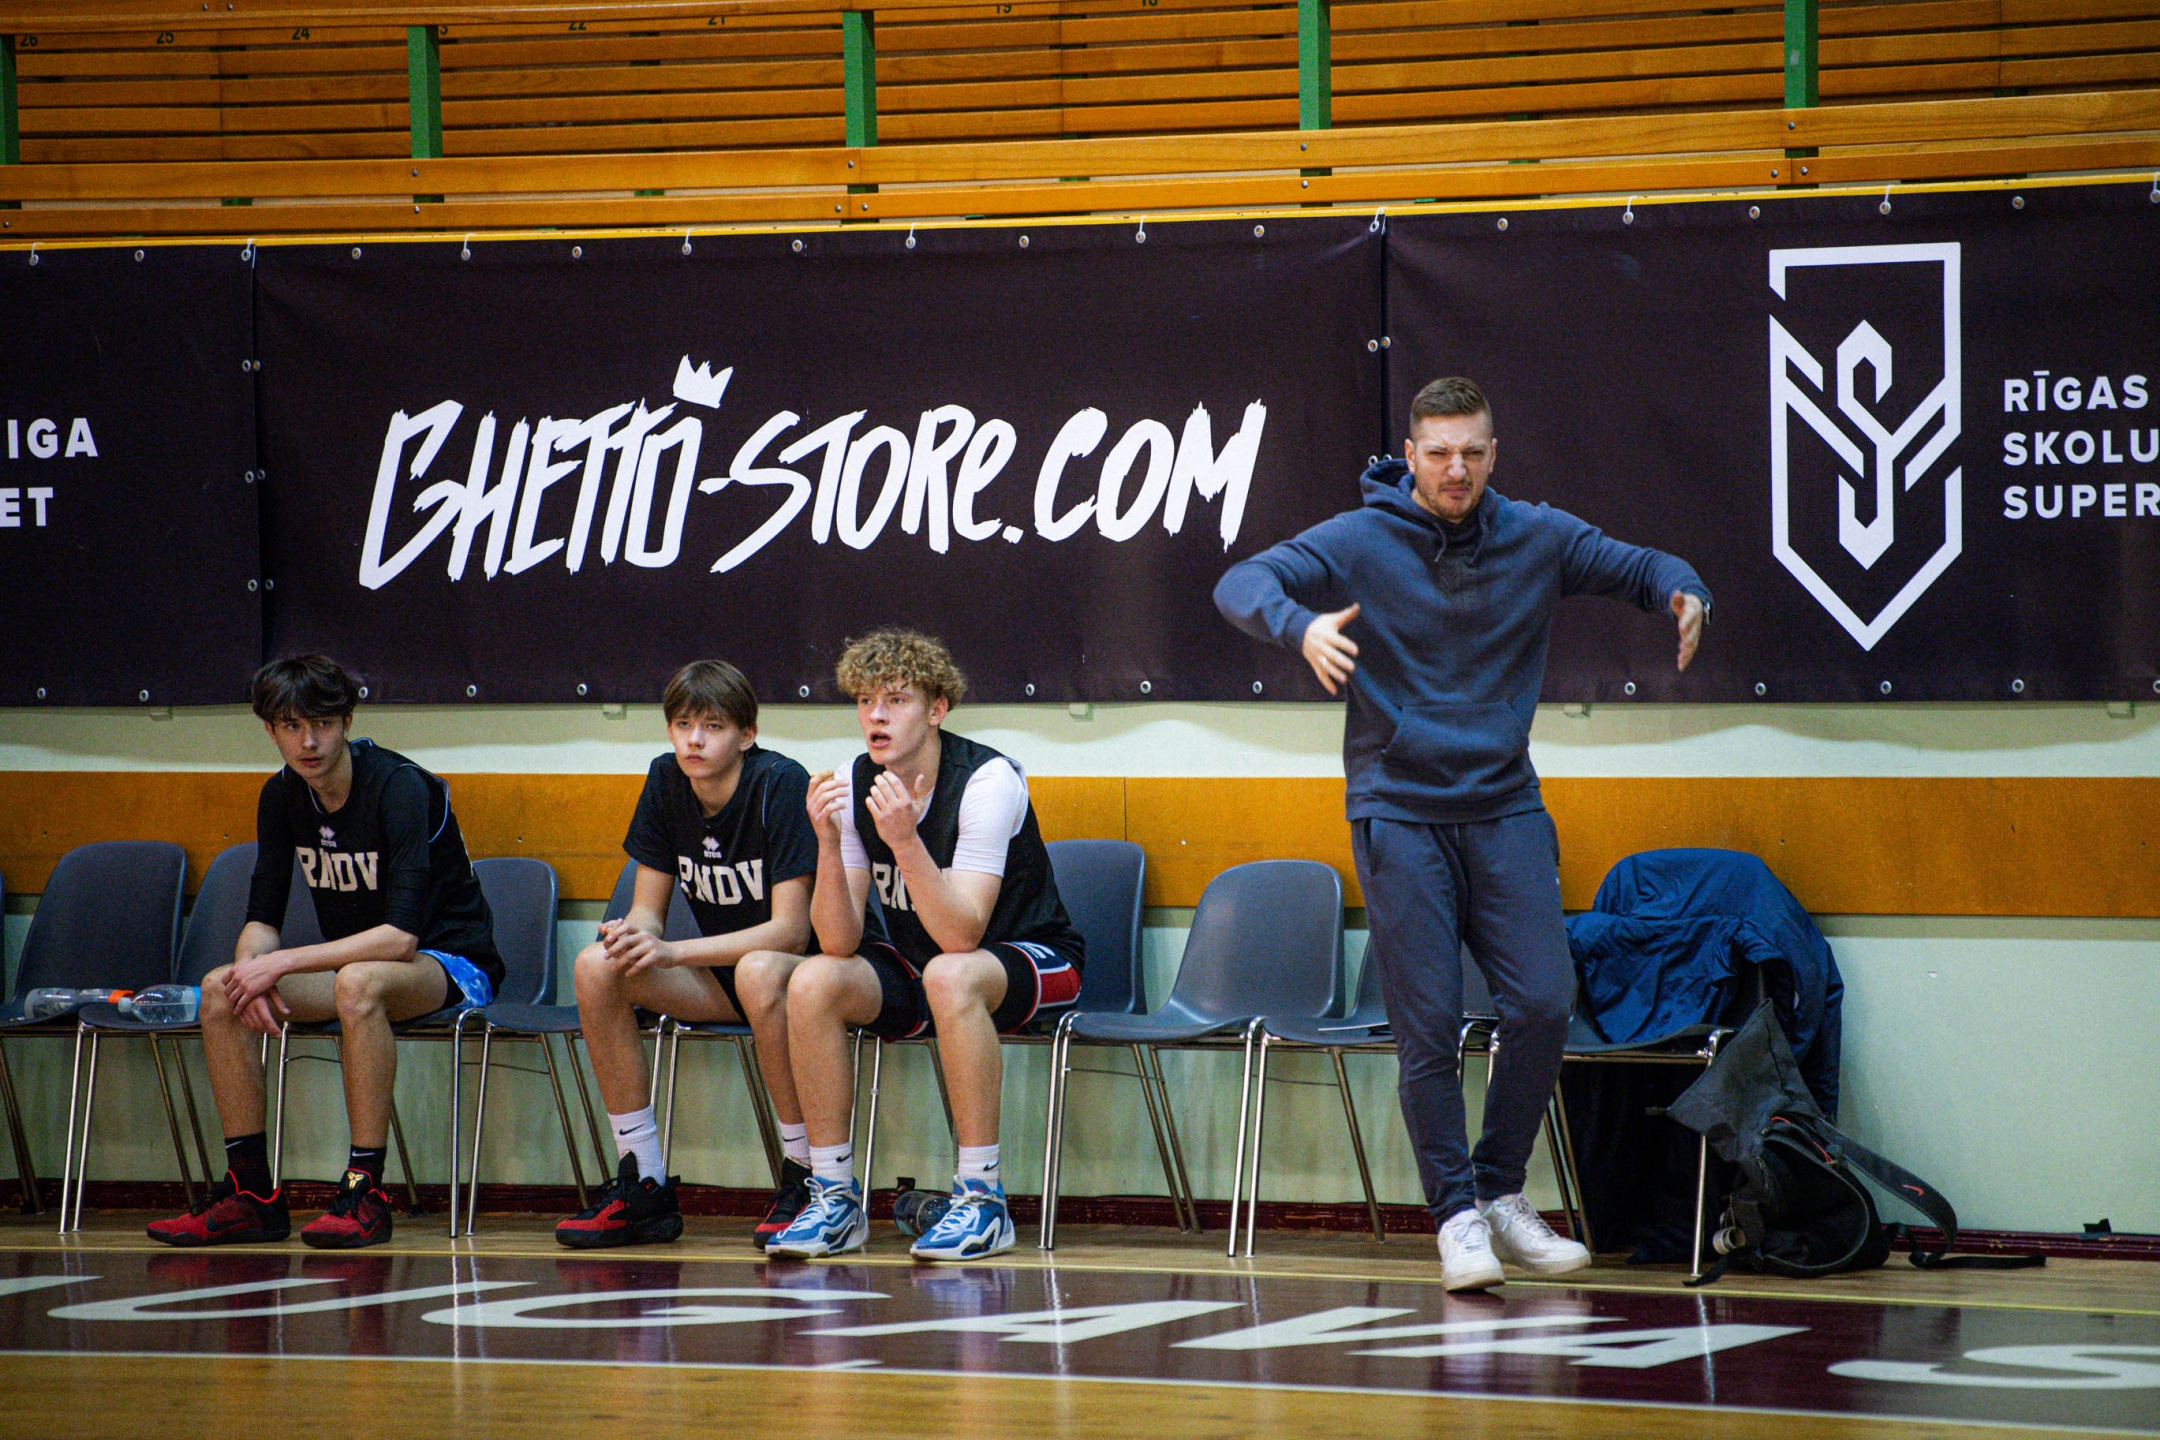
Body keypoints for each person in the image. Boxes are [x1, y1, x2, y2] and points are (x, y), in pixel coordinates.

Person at [1214, 376, 1711, 1290]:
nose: (1456, 469)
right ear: (1410, 455)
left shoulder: (1538, 536)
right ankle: (1454, 1217)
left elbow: (1643, 566)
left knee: (1544, 1001)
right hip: (1399, 808)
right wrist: (1299, 625)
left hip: (1505, 804)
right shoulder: (1360, 538)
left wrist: (1685, 592)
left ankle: (1499, 1192)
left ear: (1493, 454)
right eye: (1438, 453)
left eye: (1472, 452)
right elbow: (1240, 581)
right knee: (1430, 1023)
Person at [148, 654, 503, 1250]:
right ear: (271, 730)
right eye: (291, 726)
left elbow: (401, 938)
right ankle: (251, 1193)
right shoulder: (281, 795)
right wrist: (251, 972)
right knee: (220, 990)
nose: (308, 742)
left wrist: (281, 963)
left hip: (452, 964)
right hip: (355, 967)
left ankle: (365, 1191)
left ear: (347, 722)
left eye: (322, 724)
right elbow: (263, 919)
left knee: (357, 983)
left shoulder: (400, 787)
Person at [759, 629, 1083, 1261]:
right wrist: (826, 843)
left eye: (896, 700)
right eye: (865, 701)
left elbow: (962, 934)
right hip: (925, 965)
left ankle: (983, 1199)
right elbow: (838, 939)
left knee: (951, 974)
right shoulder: (856, 781)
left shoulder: (987, 780)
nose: (875, 716)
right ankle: (833, 1196)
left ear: (937, 709)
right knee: (813, 979)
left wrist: (906, 843)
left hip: (1034, 955)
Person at [554, 659, 819, 1250]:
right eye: (682, 725)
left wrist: (671, 952)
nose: (694, 740)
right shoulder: (665, 778)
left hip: (799, 981)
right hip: (726, 979)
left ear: (747, 735)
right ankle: (643, 1180)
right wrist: (632, 935)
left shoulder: (780, 784)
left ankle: (806, 1176)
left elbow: (790, 933)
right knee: (596, 966)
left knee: (758, 970)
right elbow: (649, 910)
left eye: (713, 726)